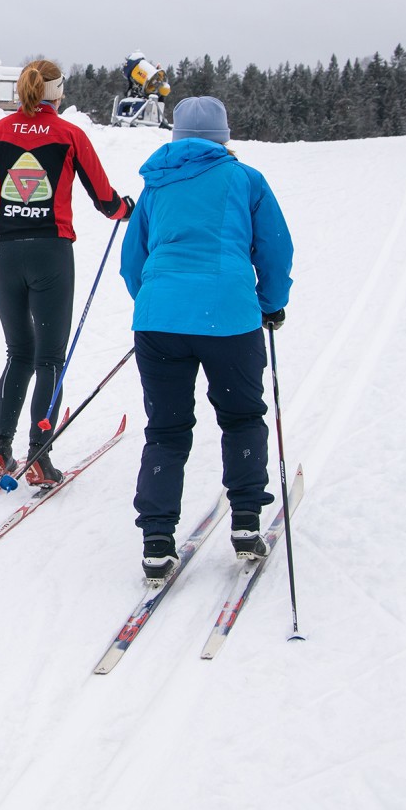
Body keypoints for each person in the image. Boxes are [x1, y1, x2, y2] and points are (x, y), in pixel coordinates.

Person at [118, 96, 292, 582]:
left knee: (166, 429)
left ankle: (156, 539)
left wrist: (156, 301)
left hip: (159, 322)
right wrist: (272, 303)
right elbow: (275, 248)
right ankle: (245, 522)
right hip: (229, 319)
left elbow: (134, 259)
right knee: (240, 417)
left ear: (175, 137)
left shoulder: (155, 184)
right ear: (223, 137)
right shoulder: (246, 180)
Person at [0, 59, 132, 487]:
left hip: (3, 252)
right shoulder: (70, 134)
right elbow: (106, 200)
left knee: (19, 351)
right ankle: (39, 456)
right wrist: (128, 208)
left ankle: (0, 451)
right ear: (56, 92)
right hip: (51, 253)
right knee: (50, 356)